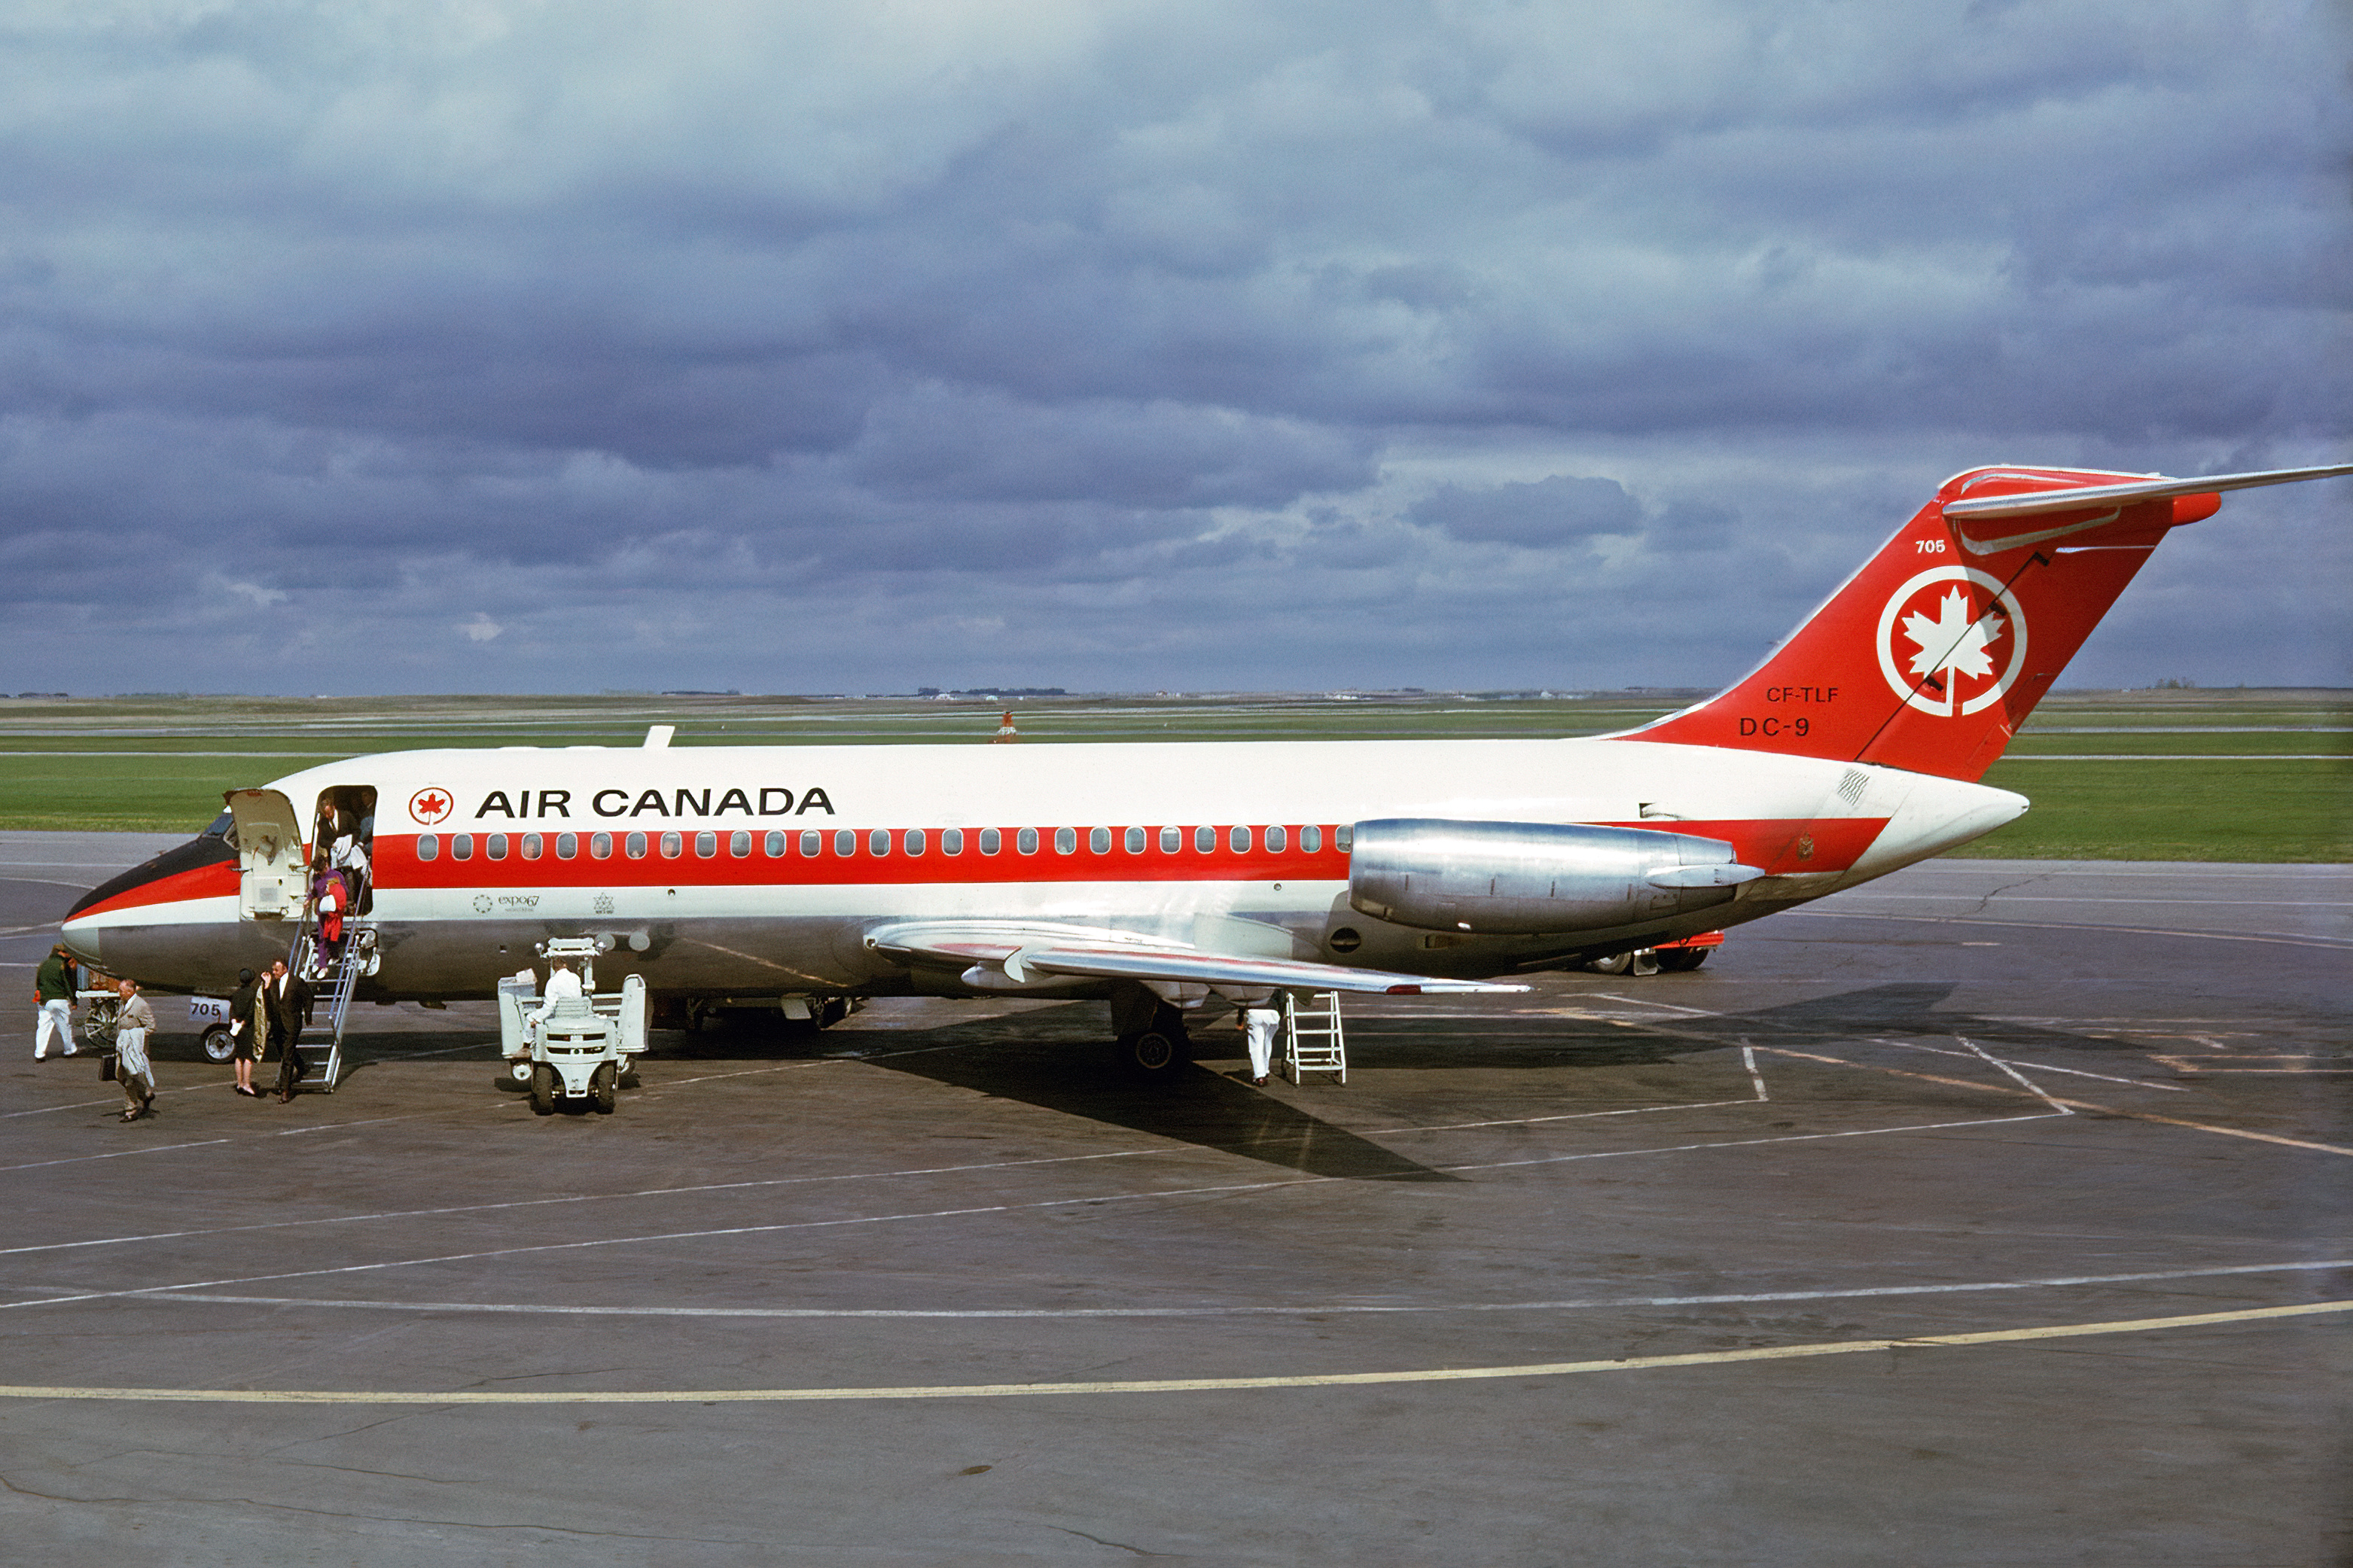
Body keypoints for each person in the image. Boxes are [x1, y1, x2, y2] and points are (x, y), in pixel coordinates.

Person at [111, 978, 157, 1122]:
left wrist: (134, 1035)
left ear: (130, 991)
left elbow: (151, 1026)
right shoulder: (123, 1002)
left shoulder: (141, 1005)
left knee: (131, 1079)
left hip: (135, 1050)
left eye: (121, 991)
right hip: (122, 1047)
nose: (119, 993)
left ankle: (130, 1110)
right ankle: (146, 1094)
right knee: (120, 1075)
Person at [268, 960, 313, 1102]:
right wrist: (266, 986)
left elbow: (309, 998)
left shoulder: (296, 982)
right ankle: (301, 1066)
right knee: (283, 1051)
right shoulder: (273, 983)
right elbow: (267, 1001)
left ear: (285, 969)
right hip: (277, 1024)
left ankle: (285, 1090)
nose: (274, 972)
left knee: (287, 1056)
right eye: (273, 970)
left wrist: (308, 1016)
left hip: (292, 1023)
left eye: (276, 970)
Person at [35, 942, 79, 1060]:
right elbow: (68, 984)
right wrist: (74, 1000)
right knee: (64, 1026)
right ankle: (69, 1050)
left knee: (43, 1026)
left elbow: (38, 982)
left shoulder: (43, 964)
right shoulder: (63, 965)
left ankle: (39, 1053)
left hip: (45, 1000)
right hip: (60, 1000)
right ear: (60, 952)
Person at [226, 966, 264, 1096]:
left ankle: (239, 1083)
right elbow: (251, 1011)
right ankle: (247, 1084)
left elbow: (232, 1010)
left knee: (239, 1056)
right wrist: (244, 1022)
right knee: (248, 1057)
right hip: (247, 1028)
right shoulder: (253, 993)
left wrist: (234, 1021)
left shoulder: (236, 994)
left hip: (236, 1027)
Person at [526, 957, 584, 1043]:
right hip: (577, 1012)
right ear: (565, 965)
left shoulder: (553, 982)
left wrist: (538, 1020)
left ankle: (527, 1045)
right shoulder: (576, 978)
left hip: (561, 1014)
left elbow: (550, 1006)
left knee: (529, 1018)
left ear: (554, 968)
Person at [1240, 1004, 1280, 1087]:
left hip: (1255, 1011)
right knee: (1267, 1042)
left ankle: (1260, 1075)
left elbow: (1242, 1000)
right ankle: (1265, 1070)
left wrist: (1240, 1018)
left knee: (1256, 1045)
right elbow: (1281, 998)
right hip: (1272, 1012)